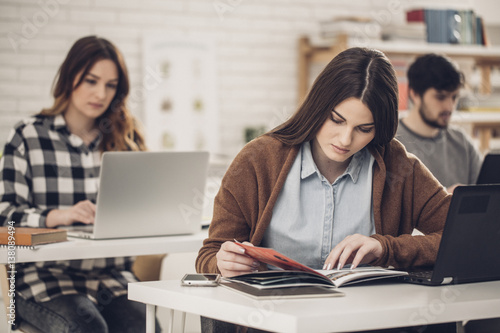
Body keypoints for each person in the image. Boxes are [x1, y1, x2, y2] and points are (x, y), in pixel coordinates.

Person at [196, 47, 454, 333]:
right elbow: (209, 255)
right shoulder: (257, 161)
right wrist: (223, 262)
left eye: (364, 128)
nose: (345, 139)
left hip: (368, 324)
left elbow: (460, 238)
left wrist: (386, 247)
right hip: (274, 324)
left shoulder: (397, 165)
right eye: (337, 119)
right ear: (318, 106)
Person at [0, 36, 161, 332]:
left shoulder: (126, 139)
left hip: (111, 276)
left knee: (147, 328)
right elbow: (5, 216)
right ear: (69, 76)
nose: (100, 93)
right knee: (87, 327)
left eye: (111, 85)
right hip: (42, 278)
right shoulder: (28, 136)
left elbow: (145, 210)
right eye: (91, 80)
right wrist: (56, 216)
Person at [396, 53, 483, 193]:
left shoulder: (462, 143)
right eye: (440, 97)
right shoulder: (390, 143)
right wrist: (443, 201)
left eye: (454, 97)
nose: (450, 106)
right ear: (415, 94)